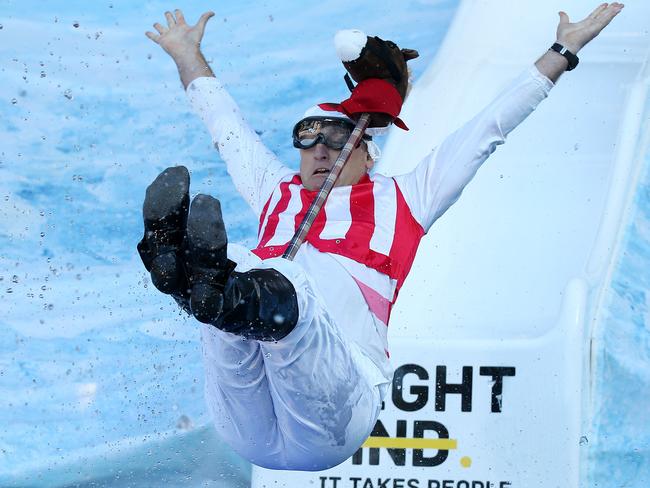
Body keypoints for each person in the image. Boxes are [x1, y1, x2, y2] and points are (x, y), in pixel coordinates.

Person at [140, 3, 624, 471]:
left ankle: (200, 278)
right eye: (307, 137)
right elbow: (226, 126)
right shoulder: (275, 191)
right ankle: (179, 269)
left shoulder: (408, 197)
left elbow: (489, 129)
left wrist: (563, 50)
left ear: (368, 154)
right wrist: (186, 52)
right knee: (232, 279)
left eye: (335, 136)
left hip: (334, 416)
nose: (321, 149)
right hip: (245, 428)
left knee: (281, 280)